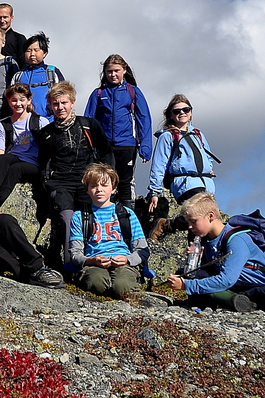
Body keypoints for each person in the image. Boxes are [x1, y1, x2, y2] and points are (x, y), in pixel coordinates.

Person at [168, 193, 265, 312]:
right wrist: (198, 261)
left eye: (194, 221)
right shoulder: (207, 241)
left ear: (210, 216)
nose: (190, 226)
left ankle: (230, 298)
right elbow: (211, 272)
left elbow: (227, 279)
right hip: (237, 283)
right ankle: (232, 299)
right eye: (189, 222)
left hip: (261, 286)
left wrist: (186, 285)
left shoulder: (236, 240)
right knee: (186, 274)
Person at [37, 82, 114, 270]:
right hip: (61, 183)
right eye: (55, 104)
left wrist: (108, 179)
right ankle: (71, 265)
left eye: (64, 102)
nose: (60, 107)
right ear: (50, 105)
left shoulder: (89, 125)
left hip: (87, 182)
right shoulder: (46, 133)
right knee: (67, 218)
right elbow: (42, 161)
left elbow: (106, 151)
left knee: (92, 218)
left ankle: (98, 262)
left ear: (72, 102)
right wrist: (46, 182)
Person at [145, 94, 219, 240]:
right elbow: (159, 165)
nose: (182, 113)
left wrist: (208, 167)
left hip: (207, 184)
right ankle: (168, 227)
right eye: (177, 111)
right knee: (199, 217)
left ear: (190, 112)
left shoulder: (198, 134)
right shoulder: (167, 136)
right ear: (170, 115)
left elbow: (207, 154)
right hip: (186, 183)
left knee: (208, 222)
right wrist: (155, 191)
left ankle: (171, 228)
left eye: (186, 109)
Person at [69, 164, 148, 299]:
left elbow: (143, 250)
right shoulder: (79, 216)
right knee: (96, 282)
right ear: (87, 190)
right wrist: (91, 260)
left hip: (123, 263)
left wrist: (127, 260)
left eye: (104, 185)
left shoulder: (127, 214)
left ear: (114, 189)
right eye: (93, 186)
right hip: (94, 264)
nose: (99, 189)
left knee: (123, 286)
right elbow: (75, 253)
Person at [84, 54, 152, 209]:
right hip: (104, 147)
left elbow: (144, 119)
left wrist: (145, 147)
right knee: (104, 181)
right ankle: (106, 216)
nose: (113, 74)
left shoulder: (133, 92)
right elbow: (88, 121)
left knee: (125, 183)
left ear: (124, 70)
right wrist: (89, 146)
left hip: (127, 145)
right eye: (109, 71)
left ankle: (128, 218)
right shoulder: (99, 93)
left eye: (116, 70)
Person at [0, 84, 48, 207]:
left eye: (22, 100)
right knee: (3, 158)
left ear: (29, 100)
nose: (18, 104)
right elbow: (0, 150)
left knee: (16, 169)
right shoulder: (3, 124)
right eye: (14, 100)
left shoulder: (40, 122)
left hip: (34, 164)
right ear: (9, 101)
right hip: (14, 157)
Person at [12, 33, 64, 119]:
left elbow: (63, 95)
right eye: (28, 50)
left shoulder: (52, 72)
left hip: (49, 122)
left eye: (36, 50)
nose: (32, 54)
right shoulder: (18, 76)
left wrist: (49, 110)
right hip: (24, 124)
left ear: (45, 53)